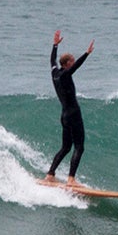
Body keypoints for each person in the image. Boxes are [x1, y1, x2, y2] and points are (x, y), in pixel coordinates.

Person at [46, 29, 95, 183]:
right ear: (67, 64)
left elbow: (52, 60)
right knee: (79, 147)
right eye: (72, 61)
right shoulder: (66, 75)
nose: (73, 63)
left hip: (64, 116)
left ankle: (50, 175)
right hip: (74, 115)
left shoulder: (55, 73)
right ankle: (71, 179)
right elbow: (76, 67)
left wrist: (55, 45)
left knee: (66, 147)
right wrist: (86, 54)